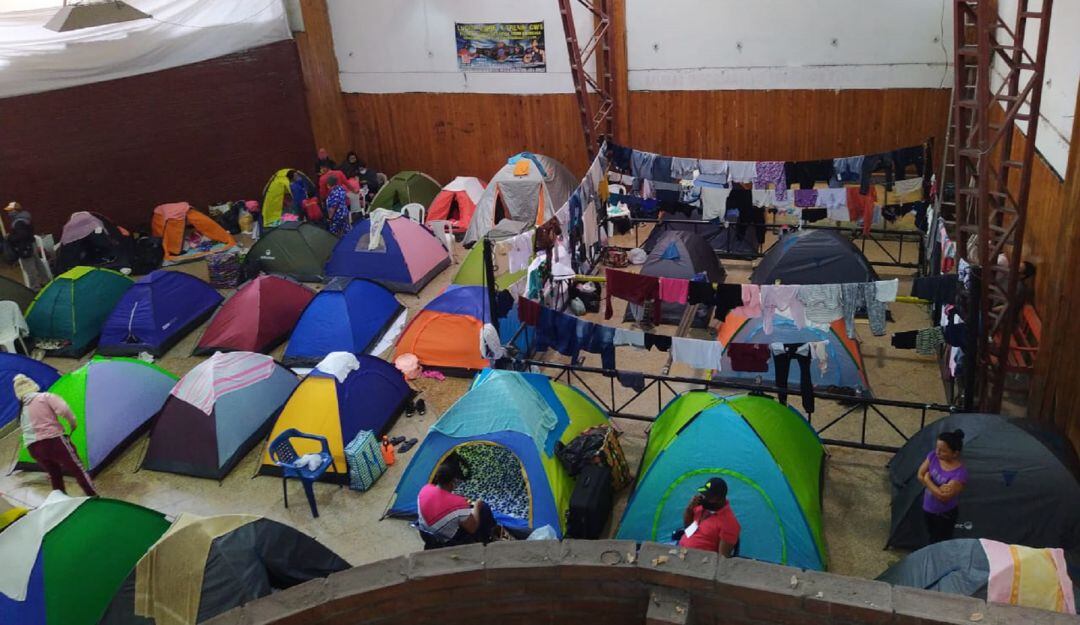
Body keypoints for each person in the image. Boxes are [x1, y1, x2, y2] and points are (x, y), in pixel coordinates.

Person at [14, 374, 97, 496]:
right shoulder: (45, 397)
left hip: (33, 448)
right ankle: (93, 495)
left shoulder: (21, 410)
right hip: (53, 441)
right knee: (77, 469)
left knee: (55, 474)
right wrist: (72, 424)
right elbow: (64, 410)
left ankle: (60, 499)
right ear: (33, 386)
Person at [417, 454, 501, 545]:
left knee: (462, 515)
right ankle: (488, 538)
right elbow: (472, 528)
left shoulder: (424, 489)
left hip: (427, 534)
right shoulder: (458, 503)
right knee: (483, 507)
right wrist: (477, 505)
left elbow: (439, 501)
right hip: (446, 540)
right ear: (453, 481)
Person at [918, 429, 968, 544]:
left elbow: (943, 497)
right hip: (928, 507)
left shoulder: (959, 474)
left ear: (955, 453)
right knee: (930, 535)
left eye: (943, 451)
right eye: (937, 448)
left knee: (940, 541)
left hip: (944, 514)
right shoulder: (933, 456)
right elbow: (920, 474)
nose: (938, 452)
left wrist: (928, 480)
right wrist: (936, 489)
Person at [677, 477, 740, 556]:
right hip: (681, 550)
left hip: (699, 559)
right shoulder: (701, 507)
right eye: (703, 494)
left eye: (707, 496)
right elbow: (687, 527)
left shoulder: (729, 523)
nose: (703, 498)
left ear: (718, 499)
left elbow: (722, 558)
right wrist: (689, 508)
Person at [4, 201, 49, 289]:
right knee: (38, 263)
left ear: (15, 210)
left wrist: (10, 237)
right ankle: (46, 281)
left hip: (24, 247)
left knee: (29, 268)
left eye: (10, 210)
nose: (8, 213)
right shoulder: (25, 218)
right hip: (31, 244)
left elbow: (22, 235)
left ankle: (35, 288)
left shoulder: (18, 222)